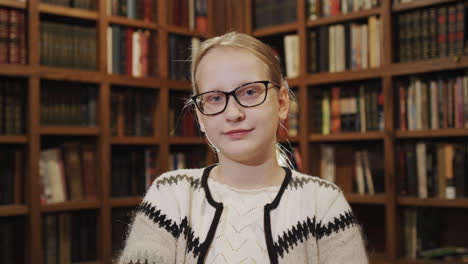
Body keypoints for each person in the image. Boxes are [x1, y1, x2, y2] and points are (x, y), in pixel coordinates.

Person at [117, 31, 368, 264]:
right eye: (215, 98)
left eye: (249, 92)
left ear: (282, 103)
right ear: (200, 117)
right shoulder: (170, 195)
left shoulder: (323, 203)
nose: (233, 113)